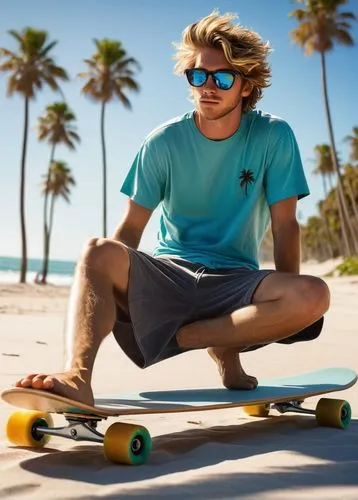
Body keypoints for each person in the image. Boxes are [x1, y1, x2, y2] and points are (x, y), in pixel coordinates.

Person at [16, 11, 330, 406]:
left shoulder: (273, 136)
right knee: (97, 250)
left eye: (222, 77)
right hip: (171, 274)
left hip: (236, 283)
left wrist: (281, 315)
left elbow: (287, 227)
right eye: (198, 76)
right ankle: (78, 376)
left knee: (314, 295)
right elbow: (130, 229)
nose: (207, 87)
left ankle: (198, 339)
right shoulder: (163, 142)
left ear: (246, 87)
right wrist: (112, 287)